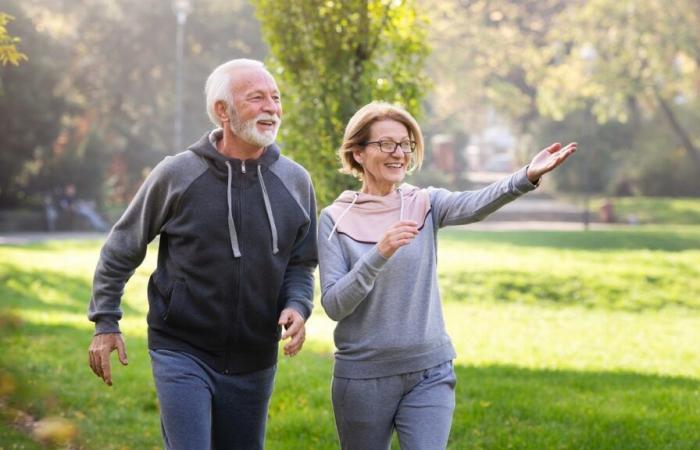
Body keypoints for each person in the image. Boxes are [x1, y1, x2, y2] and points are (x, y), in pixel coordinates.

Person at [87, 59, 317, 450]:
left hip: (255, 355)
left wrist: (298, 304)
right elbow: (122, 247)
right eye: (257, 98)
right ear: (222, 111)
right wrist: (105, 321)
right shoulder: (177, 173)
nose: (272, 108)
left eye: (276, 99)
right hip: (182, 347)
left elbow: (300, 261)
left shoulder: (295, 181)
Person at [318, 102, 576, 449]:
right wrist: (379, 254)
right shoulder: (334, 219)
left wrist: (527, 175)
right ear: (359, 153)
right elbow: (334, 305)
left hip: (430, 370)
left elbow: (476, 203)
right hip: (364, 378)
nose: (399, 154)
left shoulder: (424, 204)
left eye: (406, 144)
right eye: (386, 144)